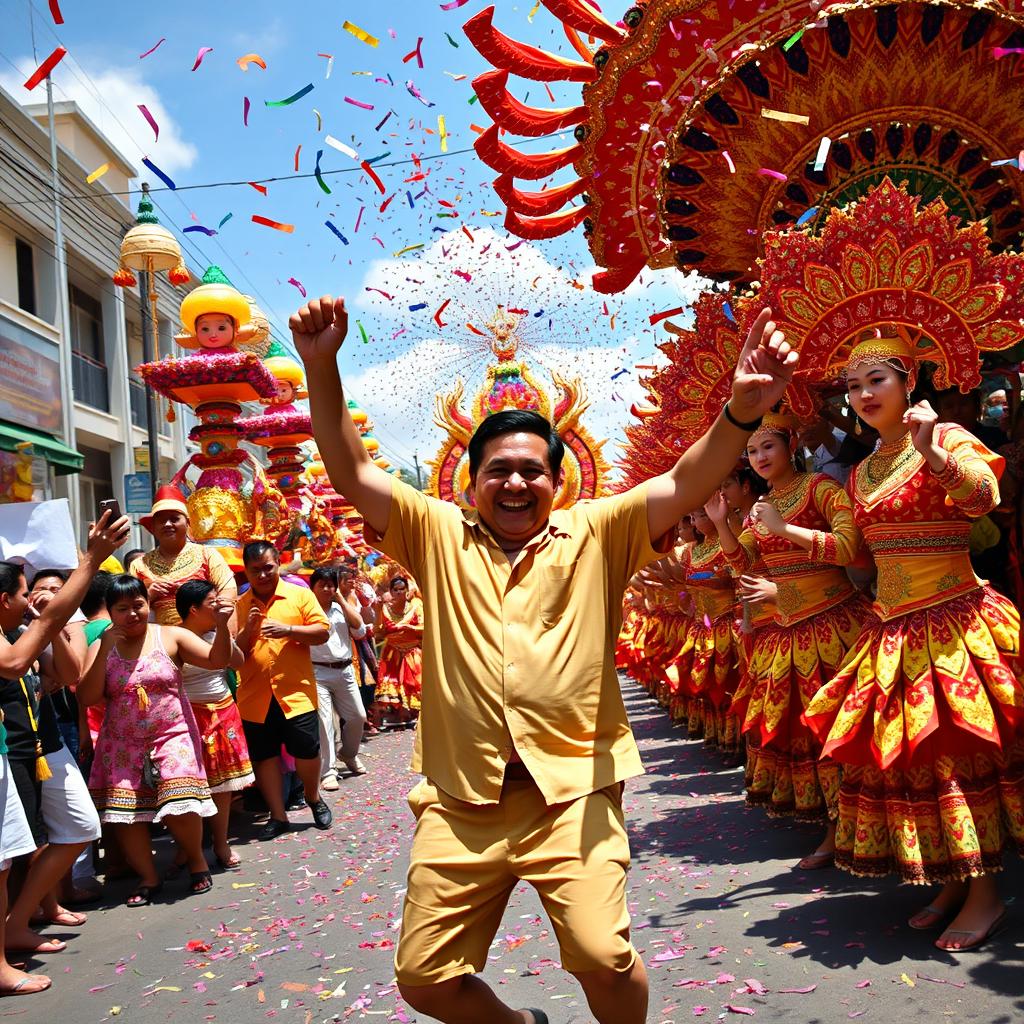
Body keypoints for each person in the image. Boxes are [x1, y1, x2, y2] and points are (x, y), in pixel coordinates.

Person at [292, 293, 794, 1024]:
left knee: (603, 956)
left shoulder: (600, 531)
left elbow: (688, 480)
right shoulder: (434, 533)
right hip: (464, 799)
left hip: (572, 793)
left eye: (533, 470)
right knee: (423, 980)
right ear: (470, 484)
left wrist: (742, 410)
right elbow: (351, 471)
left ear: (558, 484)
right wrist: (322, 368)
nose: (516, 482)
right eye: (498, 469)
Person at [804, 336, 1024, 951]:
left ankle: (986, 894)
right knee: (916, 761)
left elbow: (985, 498)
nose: (863, 395)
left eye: (876, 380)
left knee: (955, 755)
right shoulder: (865, 469)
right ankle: (954, 882)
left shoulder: (948, 437)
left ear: (909, 383)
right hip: (893, 627)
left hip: (955, 620)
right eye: (852, 386)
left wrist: (932, 451)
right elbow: (855, 553)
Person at [705, 412, 870, 869]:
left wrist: (784, 574)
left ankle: (857, 827)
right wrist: (722, 523)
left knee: (838, 731)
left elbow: (850, 549)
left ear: (790, 444)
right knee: (807, 735)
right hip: (788, 634)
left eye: (767, 447)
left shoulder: (821, 488)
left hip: (834, 625)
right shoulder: (763, 506)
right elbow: (742, 567)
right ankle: (834, 826)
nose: (758, 458)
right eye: (752, 451)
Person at [0, 509, 128, 996]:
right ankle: (19, 926)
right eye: (22, 591)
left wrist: (51, 622)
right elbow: (13, 666)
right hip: (13, 752)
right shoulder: (9, 635)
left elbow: (71, 674)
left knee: (72, 829)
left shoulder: (29, 626)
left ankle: (21, 919)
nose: (30, 596)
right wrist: (89, 566)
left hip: (43, 746)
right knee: (15, 853)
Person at [79, 576, 228, 906]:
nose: (132, 614)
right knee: (127, 813)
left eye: (138, 606)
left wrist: (224, 627)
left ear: (148, 605)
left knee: (180, 798)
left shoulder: (170, 635)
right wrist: (104, 650)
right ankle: (148, 877)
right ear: (111, 612)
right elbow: (88, 696)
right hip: (120, 742)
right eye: (122, 609)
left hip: (172, 733)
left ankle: (196, 861)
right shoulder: (100, 644)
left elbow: (218, 660)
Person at [235, 541, 332, 837]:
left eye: (268, 568)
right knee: (265, 757)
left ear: (278, 563)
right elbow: (232, 655)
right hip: (255, 697)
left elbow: (322, 632)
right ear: (247, 573)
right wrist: (247, 630)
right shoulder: (240, 605)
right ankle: (277, 816)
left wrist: (289, 630)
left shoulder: (300, 595)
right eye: (255, 571)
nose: (263, 575)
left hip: (296, 693)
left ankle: (313, 797)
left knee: (307, 750)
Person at [175, 581, 254, 869]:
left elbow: (238, 661)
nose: (219, 605)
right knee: (190, 785)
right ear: (193, 609)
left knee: (222, 786)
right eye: (212, 601)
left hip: (223, 712)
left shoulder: (215, 632)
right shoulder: (175, 638)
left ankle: (221, 844)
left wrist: (223, 628)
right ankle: (189, 848)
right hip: (188, 716)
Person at [131, 487, 237, 626]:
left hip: (204, 639)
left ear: (187, 523)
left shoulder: (207, 555)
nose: (168, 524)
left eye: (174, 519)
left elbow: (228, 593)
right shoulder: (139, 565)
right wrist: (149, 596)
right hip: (160, 641)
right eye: (162, 520)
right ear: (153, 527)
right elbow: (128, 607)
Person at [309, 567, 368, 792]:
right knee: (324, 723)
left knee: (358, 716)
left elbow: (360, 629)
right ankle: (329, 771)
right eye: (322, 585)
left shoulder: (340, 608)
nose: (327, 589)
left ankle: (348, 754)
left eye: (331, 584)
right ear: (312, 587)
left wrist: (342, 599)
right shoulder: (307, 610)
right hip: (317, 672)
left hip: (344, 670)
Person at [373, 577, 424, 727]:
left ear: (407, 591)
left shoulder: (416, 606)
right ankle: (400, 715)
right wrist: (377, 611)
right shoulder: (383, 609)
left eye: (402, 589)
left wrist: (411, 629)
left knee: (416, 684)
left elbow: (425, 627)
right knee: (392, 684)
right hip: (392, 653)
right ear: (391, 591)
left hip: (412, 652)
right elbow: (378, 631)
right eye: (395, 590)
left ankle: (420, 718)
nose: (399, 592)